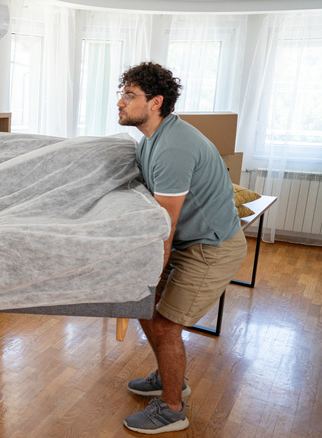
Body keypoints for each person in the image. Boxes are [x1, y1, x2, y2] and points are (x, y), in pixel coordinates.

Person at [116, 62, 246, 434]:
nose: (120, 102)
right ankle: (167, 377)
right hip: (189, 239)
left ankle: (173, 408)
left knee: (166, 324)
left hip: (211, 247)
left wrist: (153, 270)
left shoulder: (172, 147)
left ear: (156, 102)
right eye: (123, 93)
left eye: (130, 95)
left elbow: (165, 224)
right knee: (143, 303)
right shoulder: (152, 138)